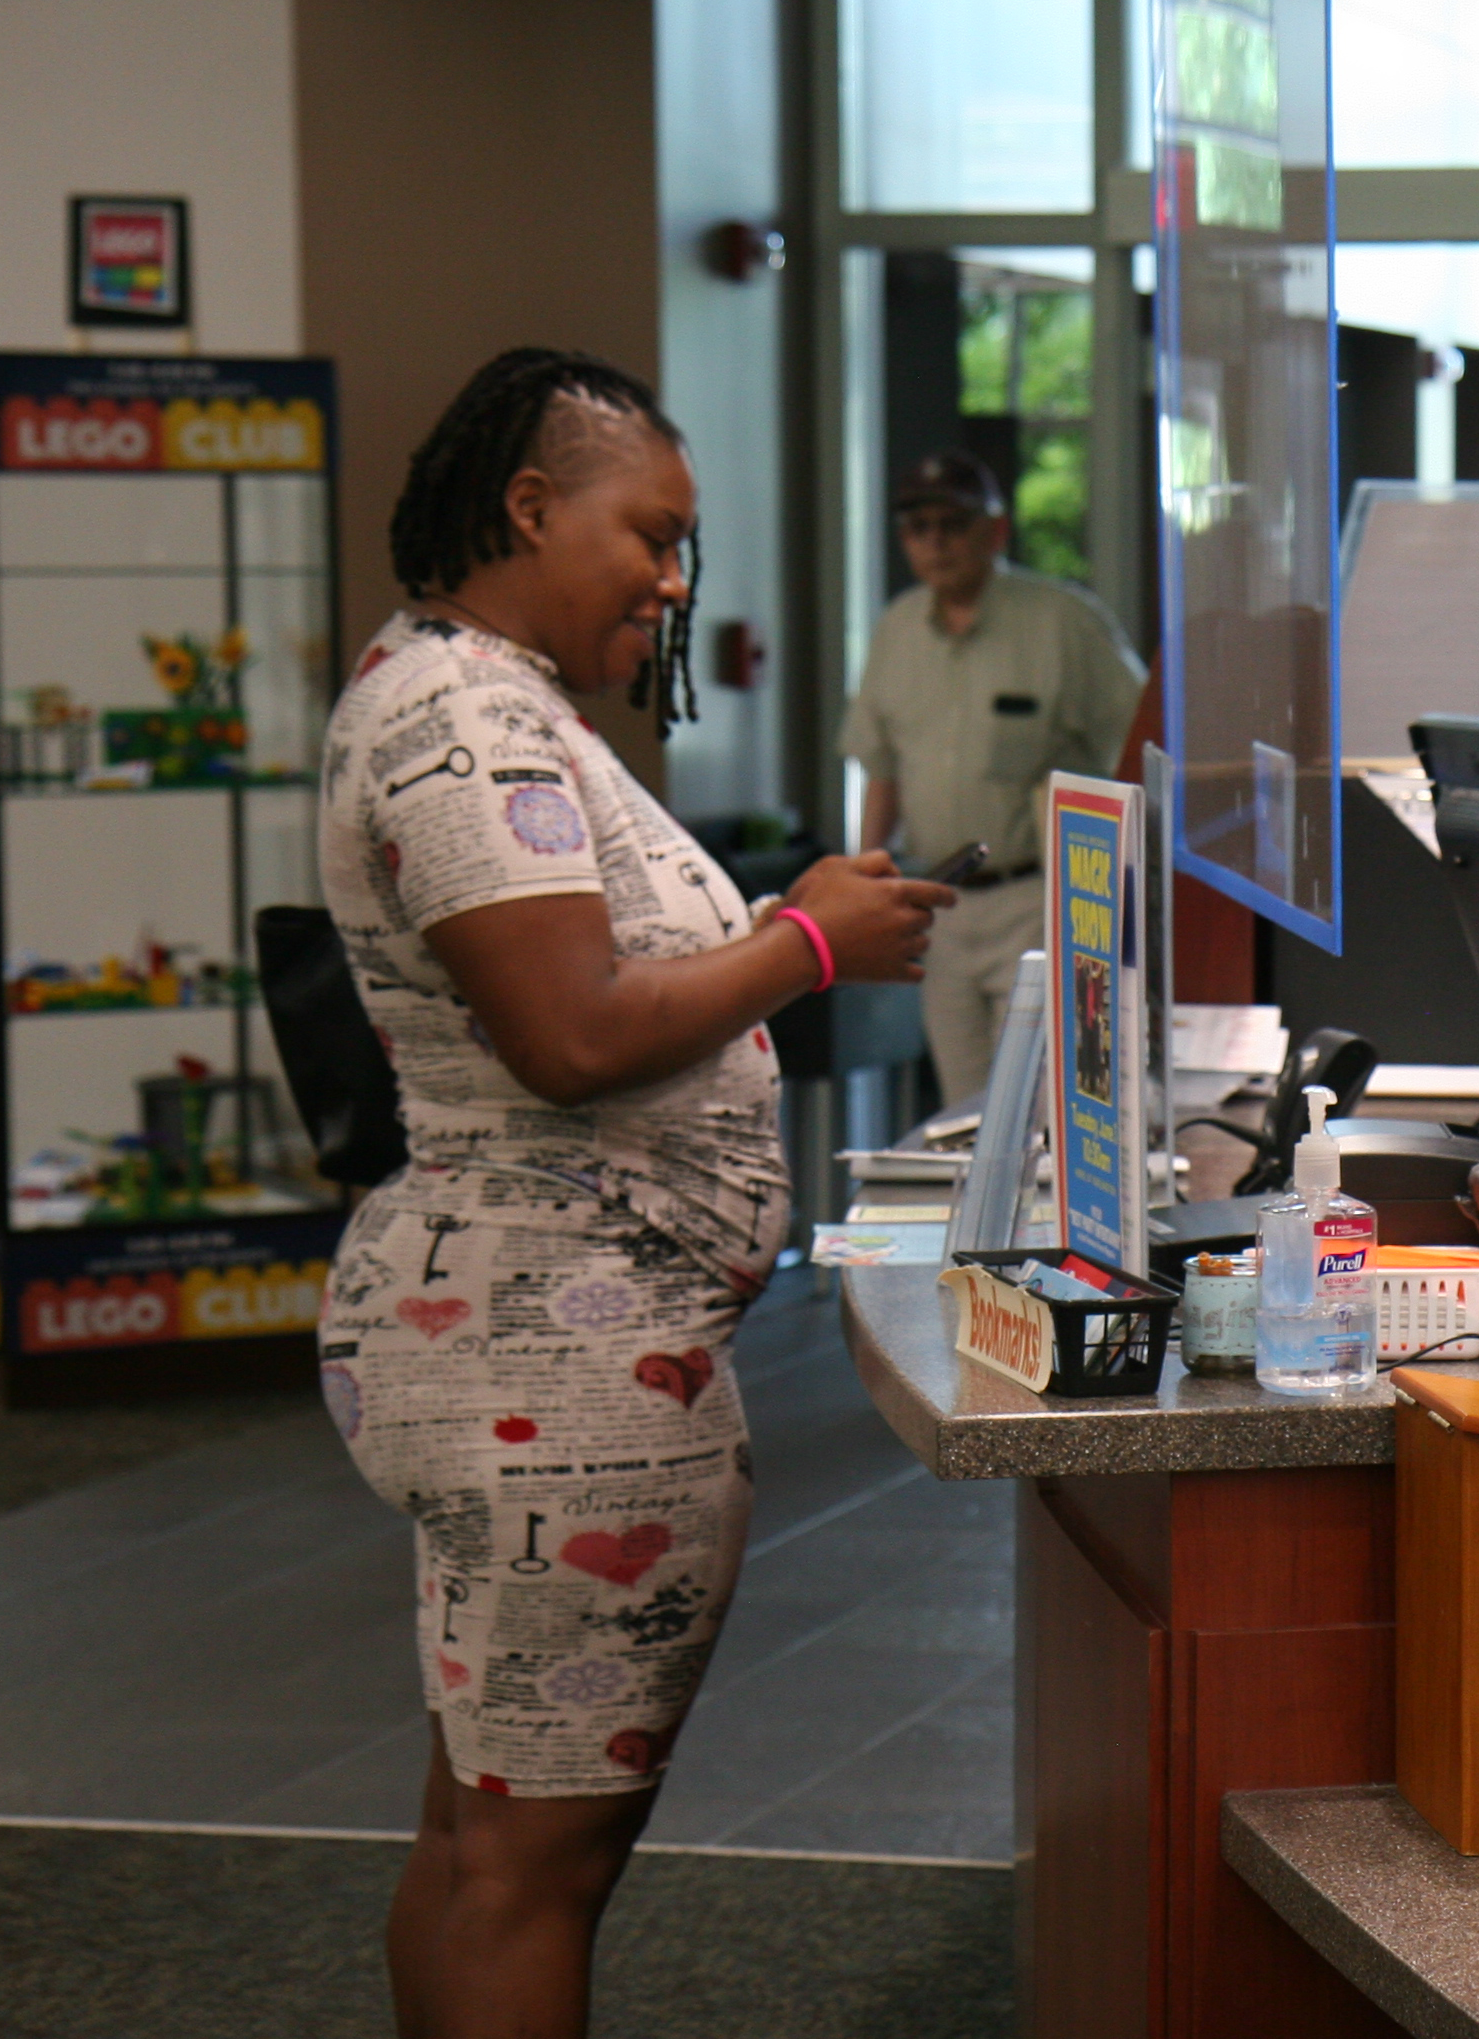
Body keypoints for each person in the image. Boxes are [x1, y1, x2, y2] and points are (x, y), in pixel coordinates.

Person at [316, 348, 957, 2038]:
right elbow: (571, 1032)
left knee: (482, 1829)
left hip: (531, 1335)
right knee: (540, 1869)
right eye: (649, 532)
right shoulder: (464, 720)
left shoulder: (478, 697)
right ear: (530, 507)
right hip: (553, 1356)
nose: (674, 575)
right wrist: (806, 939)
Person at [842, 448, 1147, 1103]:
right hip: (938, 903)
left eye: (954, 523)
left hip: (1037, 898)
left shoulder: (1063, 622)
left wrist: (1127, 887)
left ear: (996, 530)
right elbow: (882, 768)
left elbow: (1139, 748)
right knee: (964, 1112)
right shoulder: (896, 630)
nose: (936, 542)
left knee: (1046, 1103)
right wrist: (871, 882)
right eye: (918, 527)